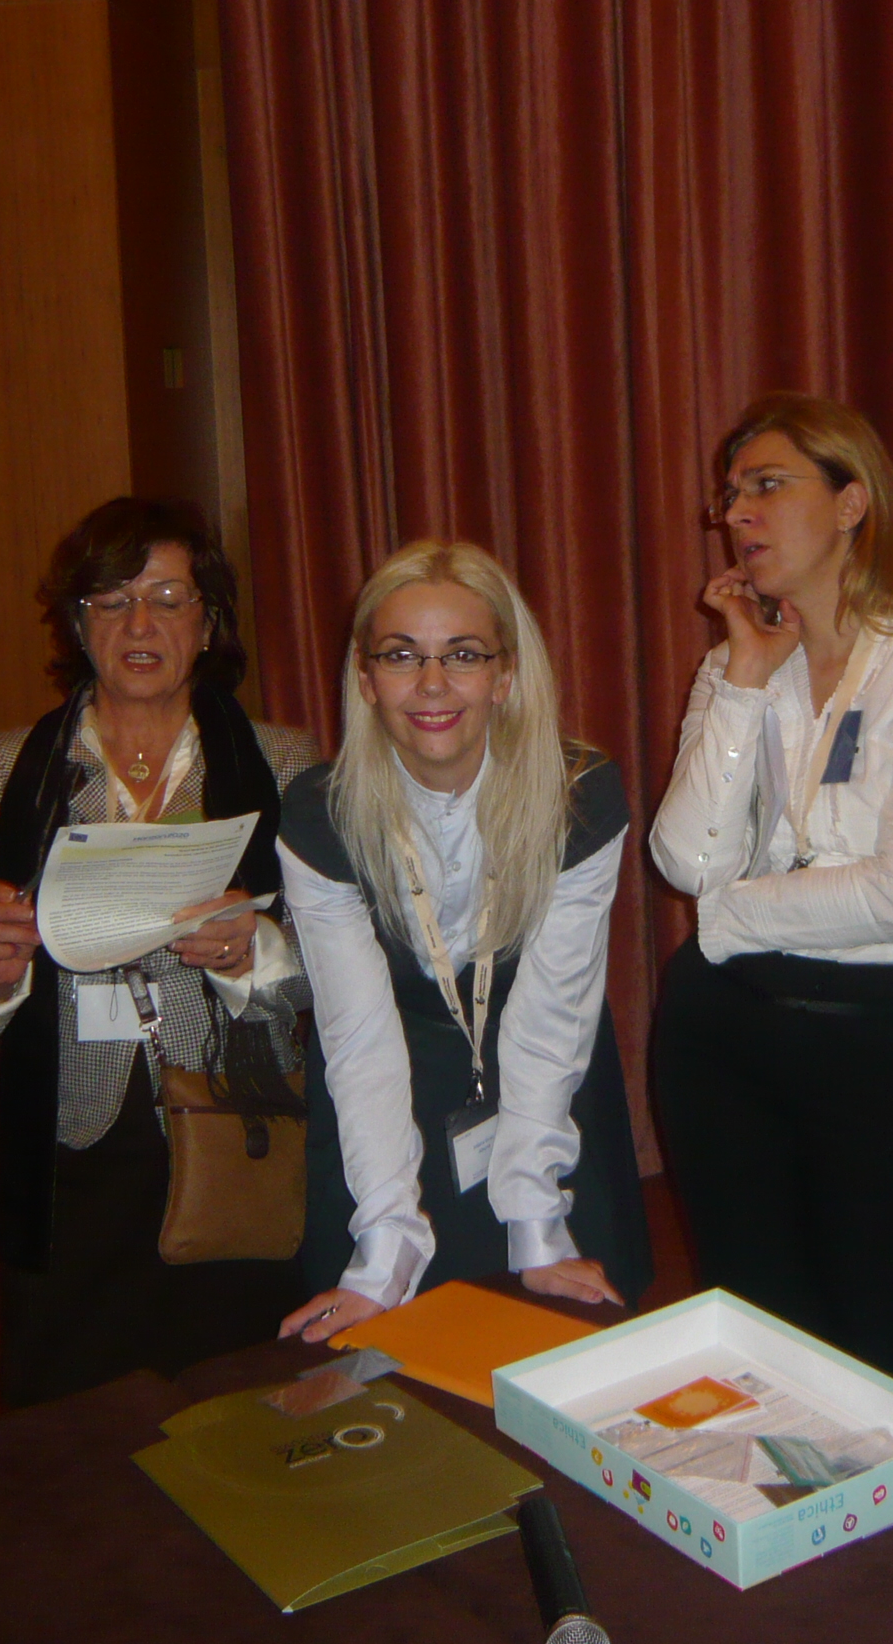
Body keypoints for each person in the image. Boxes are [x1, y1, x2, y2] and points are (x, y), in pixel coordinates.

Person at [0, 496, 318, 1406]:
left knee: (237, 1403)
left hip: (234, 1128)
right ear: (78, 622)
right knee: (74, 1415)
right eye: (112, 599)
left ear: (208, 623)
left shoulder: (284, 763)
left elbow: (338, 971)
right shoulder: (10, 766)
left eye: (169, 598)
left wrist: (254, 950)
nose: (140, 624)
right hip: (68, 1140)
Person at [650, 394, 893, 1405]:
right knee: (754, 1333)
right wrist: (744, 678)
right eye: (730, 495)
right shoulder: (736, 664)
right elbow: (686, 859)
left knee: (885, 1341)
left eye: (767, 486)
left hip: (889, 1043)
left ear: (852, 503)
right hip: (724, 1038)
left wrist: (732, 916)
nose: (737, 515)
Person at [275, 541, 651, 1343]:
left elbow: (553, 1016)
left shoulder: (579, 797)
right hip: (389, 1089)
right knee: (389, 1362)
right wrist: (386, 1248)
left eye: (464, 655)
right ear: (366, 679)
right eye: (402, 655)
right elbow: (357, 1038)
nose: (433, 684)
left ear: (505, 676)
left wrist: (537, 1224)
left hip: (546, 1083)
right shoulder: (320, 816)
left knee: (558, 1349)